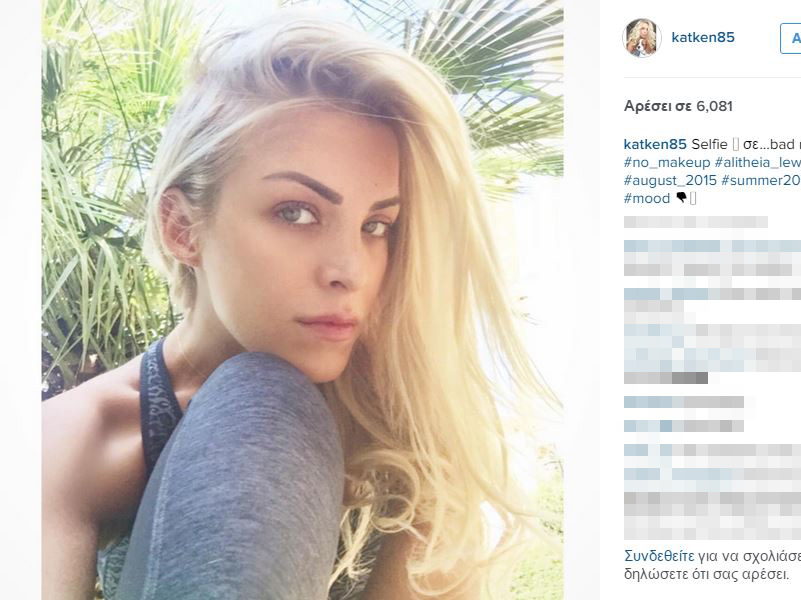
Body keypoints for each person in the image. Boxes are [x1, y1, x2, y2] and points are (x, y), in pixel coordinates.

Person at [41, 7, 556, 600]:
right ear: (182, 227)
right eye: (296, 213)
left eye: (376, 225)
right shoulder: (72, 442)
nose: (350, 271)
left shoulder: (404, 424)